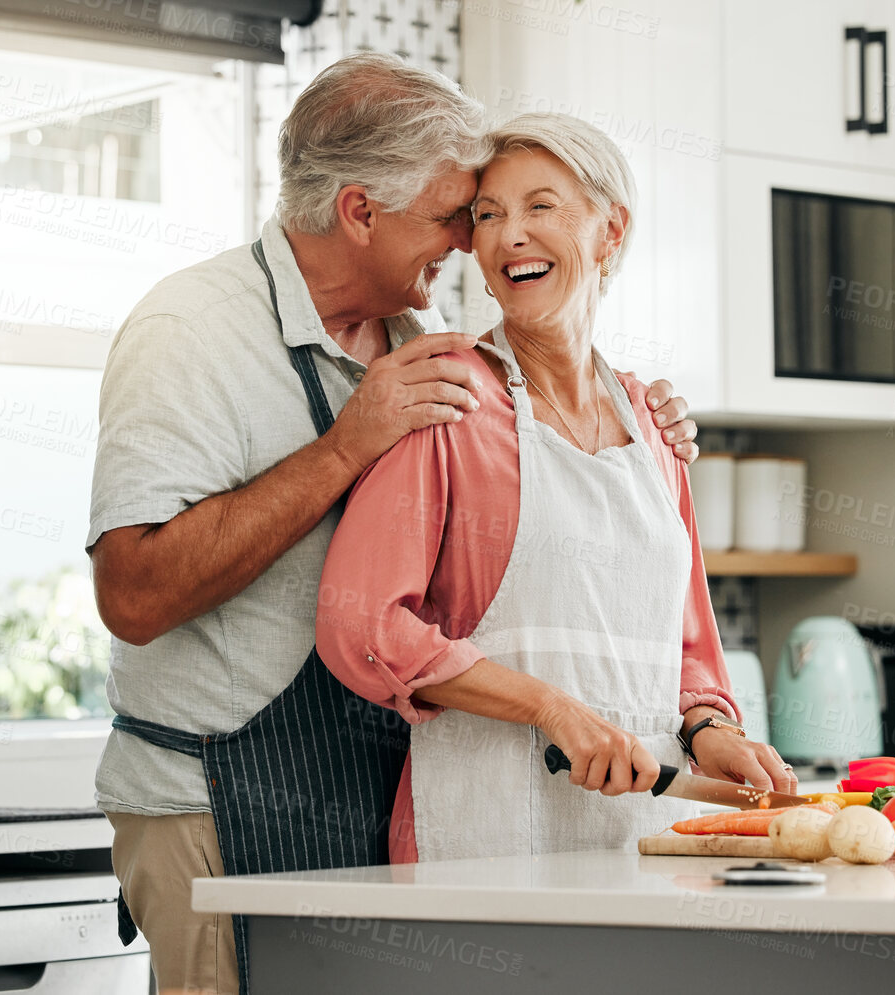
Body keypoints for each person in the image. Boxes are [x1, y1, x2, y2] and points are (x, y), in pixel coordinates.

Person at [86, 56, 700, 994]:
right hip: (212, 801)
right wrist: (344, 446)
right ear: (361, 212)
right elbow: (132, 594)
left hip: (361, 792)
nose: (468, 243)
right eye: (459, 214)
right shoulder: (191, 331)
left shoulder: (416, 346)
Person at [317, 113, 793, 864]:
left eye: (540, 207)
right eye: (487, 215)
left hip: (644, 836)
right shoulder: (449, 401)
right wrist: (548, 707)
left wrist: (712, 730)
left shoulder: (652, 426)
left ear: (610, 231)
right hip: (481, 835)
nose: (509, 236)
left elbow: (687, 643)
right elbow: (360, 624)